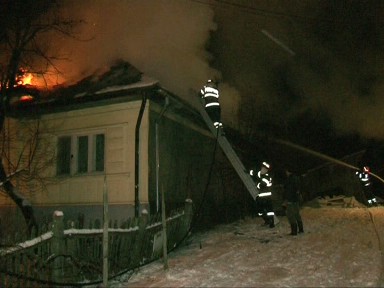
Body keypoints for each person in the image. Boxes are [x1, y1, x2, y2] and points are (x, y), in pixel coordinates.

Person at [251, 161, 278, 228]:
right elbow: (254, 174)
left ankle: (271, 222)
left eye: (264, 169)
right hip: (261, 196)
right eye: (262, 168)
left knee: (269, 211)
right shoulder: (259, 174)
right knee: (260, 211)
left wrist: (259, 183)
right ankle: (267, 220)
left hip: (267, 196)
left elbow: (265, 183)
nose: (263, 169)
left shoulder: (267, 177)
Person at [283, 170, 304, 236]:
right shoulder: (296, 178)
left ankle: (294, 231)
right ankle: (301, 229)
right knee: (297, 214)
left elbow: (289, 191)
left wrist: (286, 200)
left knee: (291, 215)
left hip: (290, 200)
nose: (286, 173)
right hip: (295, 199)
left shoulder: (289, 180)